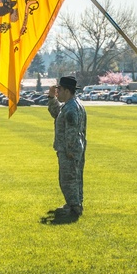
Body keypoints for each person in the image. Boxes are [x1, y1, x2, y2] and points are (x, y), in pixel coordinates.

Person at [47, 75, 87, 217]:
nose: (58, 92)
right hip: (74, 148)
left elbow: (71, 132)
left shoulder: (71, 109)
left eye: (60, 90)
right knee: (74, 177)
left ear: (67, 91)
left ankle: (74, 207)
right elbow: (57, 113)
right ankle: (73, 203)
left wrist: (69, 149)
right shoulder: (71, 105)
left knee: (68, 179)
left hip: (69, 150)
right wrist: (51, 99)